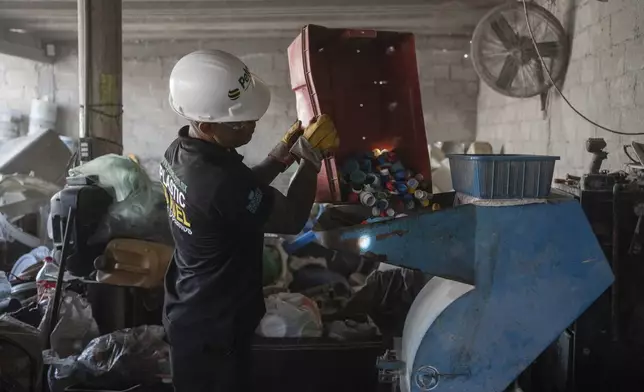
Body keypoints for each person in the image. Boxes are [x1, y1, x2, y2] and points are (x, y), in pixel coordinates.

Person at [159, 49, 339, 392]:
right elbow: (289, 219)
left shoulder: (180, 151)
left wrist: (279, 158)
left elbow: (237, 192)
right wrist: (311, 160)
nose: (253, 124)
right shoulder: (218, 182)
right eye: (240, 121)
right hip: (214, 327)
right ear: (207, 124)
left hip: (190, 307)